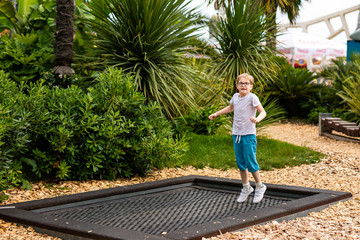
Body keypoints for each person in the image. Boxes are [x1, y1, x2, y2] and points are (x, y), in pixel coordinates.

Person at [208, 73, 267, 203]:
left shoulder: (252, 97)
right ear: (237, 85)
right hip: (237, 134)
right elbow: (231, 107)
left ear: (251, 86)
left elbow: (263, 112)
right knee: (241, 163)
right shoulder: (235, 97)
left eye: (246, 83)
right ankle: (246, 187)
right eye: (241, 83)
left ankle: (260, 186)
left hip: (249, 135)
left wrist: (257, 119)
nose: (243, 85)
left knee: (251, 162)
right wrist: (216, 113)